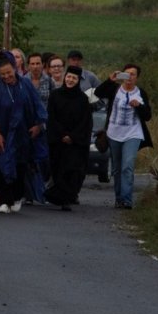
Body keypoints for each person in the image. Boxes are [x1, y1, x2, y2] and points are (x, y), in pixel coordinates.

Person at [0, 57, 44, 214]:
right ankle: (4, 201)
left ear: (15, 69)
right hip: (3, 134)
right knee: (3, 165)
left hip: (23, 134)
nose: (6, 77)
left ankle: (16, 198)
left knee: (20, 166)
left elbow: (37, 105)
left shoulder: (26, 85)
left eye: (8, 73)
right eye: (2, 74)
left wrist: (38, 125)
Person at [94, 65, 153, 210]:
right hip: (114, 133)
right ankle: (119, 198)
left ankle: (127, 199)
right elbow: (98, 92)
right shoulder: (114, 89)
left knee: (128, 165)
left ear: (137, 77)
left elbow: (147, 116)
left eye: (133, 75)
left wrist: (139, 106)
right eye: (126, 74)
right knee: (117, 168)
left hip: (133, 133)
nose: (129, 77)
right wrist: (110, 80)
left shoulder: (140, 93)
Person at [45, 66, 93, 211]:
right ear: (65, 77)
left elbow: (85, 122)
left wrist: (72, 136)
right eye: (69, 77)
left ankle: (66, 198)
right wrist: (62, 135)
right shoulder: (55, 95)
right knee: (58, 169)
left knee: (72, 170)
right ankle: (60, 198)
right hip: (58, 141)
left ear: (78, 80)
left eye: (74, 78)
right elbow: (51, 117)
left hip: (75, 143)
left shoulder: (83, 99)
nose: (70, 80)